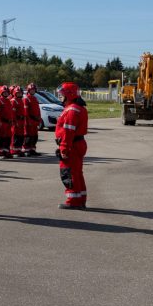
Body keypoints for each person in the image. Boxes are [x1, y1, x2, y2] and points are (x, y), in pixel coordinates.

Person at [55, 82, 89, 210]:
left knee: (69, 173)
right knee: (77, 173)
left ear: (69, 95)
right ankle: (80, 199)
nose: (60, 97)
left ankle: (73, 201)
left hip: (72, 145)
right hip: (77, 143)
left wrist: (64, 148)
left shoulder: (71, 110)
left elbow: (68, 132)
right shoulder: (78, 108)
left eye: (61, 95)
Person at [0, 85, 14, 159]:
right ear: (1, 92)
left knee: (8, 138)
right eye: (4, 92)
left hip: (8, 123)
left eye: (7, 92)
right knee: (1, 138)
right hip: (2, 123)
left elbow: (10, 112)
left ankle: (6, 151)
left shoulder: (8, 101)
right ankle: (1, 152)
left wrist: (11, 121)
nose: (6, 93)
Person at [23, 83, 43, 156]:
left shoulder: (35, 98)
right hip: (29, 121)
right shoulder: (26, 99)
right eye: (31, 90)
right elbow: (26, 112)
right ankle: (26, 150)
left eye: (34, 90)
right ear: (28, 90)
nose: (32, 91)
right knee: (28, 136)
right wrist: (28, 121)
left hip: (35, 121)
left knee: (35, 136)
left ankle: (32, 150)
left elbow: (38, 110)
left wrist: (39, 119)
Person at [11, 85, 26, 157]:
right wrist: (15, 121)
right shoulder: (13, 101)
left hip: (21, 121)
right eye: (18, 93)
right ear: (15, 93)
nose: (19, 94)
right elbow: (13, 113)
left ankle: (19, 150)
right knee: (15, 136)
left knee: (21, 136)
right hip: (16, 121)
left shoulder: (21, 100)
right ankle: (14, 150)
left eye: (20, 93)